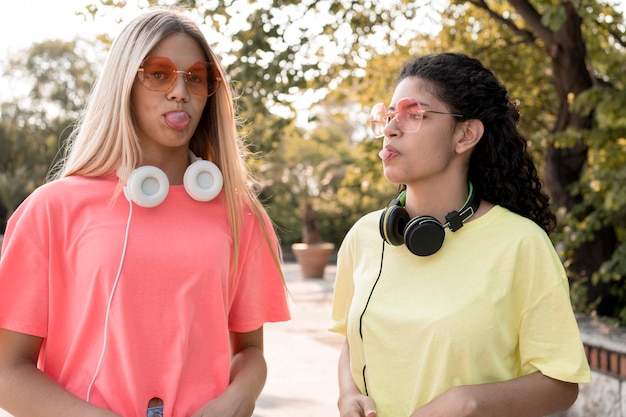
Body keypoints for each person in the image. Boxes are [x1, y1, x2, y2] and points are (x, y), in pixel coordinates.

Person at [0, 7, 290, 417]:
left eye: (196, 77)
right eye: (158, 73)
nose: (179, 91)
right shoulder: (51, 209)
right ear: (125, 84)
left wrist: (236, 400)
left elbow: (250, 353)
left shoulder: (240, 214)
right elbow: (8, 372)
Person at [329, 52, 591, 417]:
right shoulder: (363, 237)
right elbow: (351, 340)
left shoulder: (521, 244)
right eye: (389, 116)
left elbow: (561, 384)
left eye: (414, 114)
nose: (391, 128)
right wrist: (347, 392)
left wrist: (470, 402)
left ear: (465, 134)